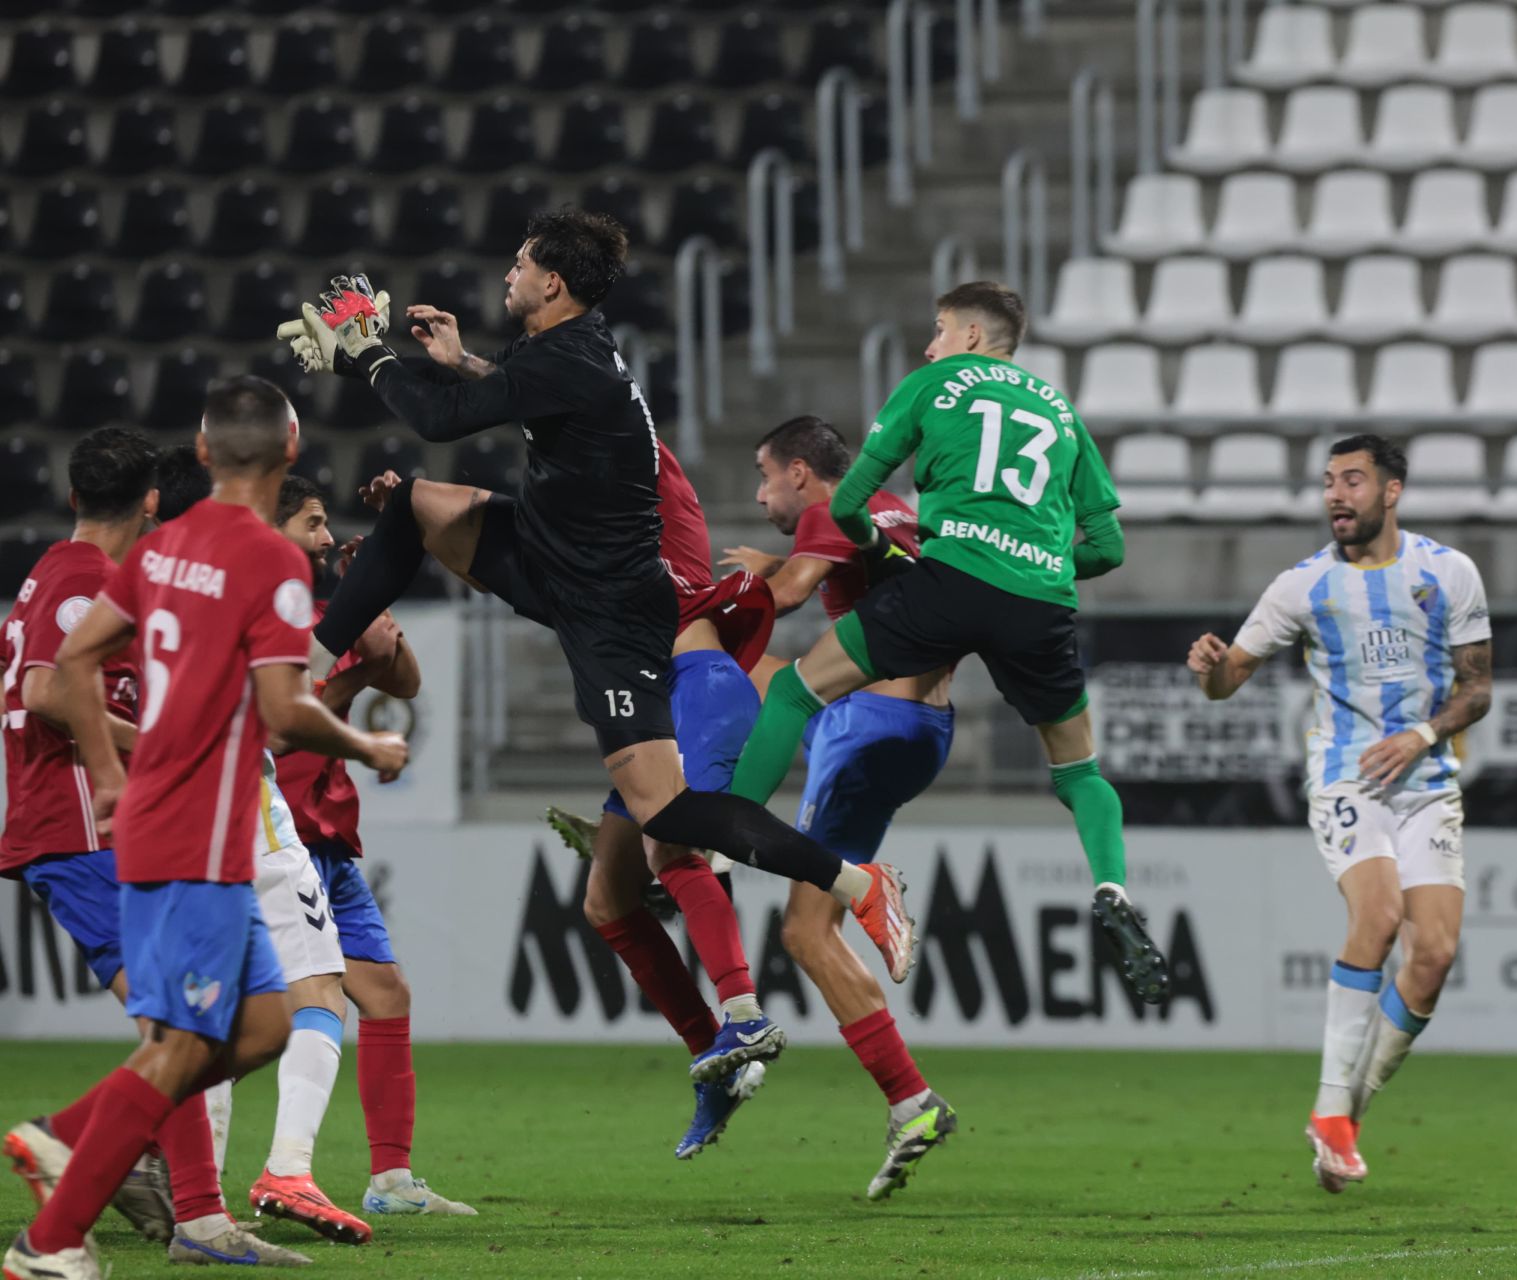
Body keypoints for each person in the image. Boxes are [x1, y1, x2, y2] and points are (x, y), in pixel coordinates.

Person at [276, 210, 910, 1082]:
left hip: (612, 606)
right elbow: (495, 394)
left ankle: (857, 886)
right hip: (553, 557)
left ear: (553, 285)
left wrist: (369, 353)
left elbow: (438, 417)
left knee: (670, 815)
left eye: (520, 263)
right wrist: (445, 358)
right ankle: (311, 667)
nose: (508, 273)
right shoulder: (574, 353)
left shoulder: (570, 358)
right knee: (414, 507)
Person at [3, 376, 407, 1280]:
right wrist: (365, 742)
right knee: (188, 1043)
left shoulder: (159, 552)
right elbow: (285, 710)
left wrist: (110, 775)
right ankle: (49, 1241)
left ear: (198, 455)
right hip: (193, 833)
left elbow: (72, 662)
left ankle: (65, 1140)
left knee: (263, 1027)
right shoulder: (274, 564)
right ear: (293, 453)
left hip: (172, 830)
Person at [725, 282, 1170, 1006]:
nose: (930, 345)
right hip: (1040, 603)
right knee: (1080, 774)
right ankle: (1113, 887)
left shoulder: (932, 382)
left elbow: (846, 503)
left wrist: (876, 545)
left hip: (949, 580)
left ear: (967, 335)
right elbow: (1111, 548)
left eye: (937, 329)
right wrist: (1044, 563)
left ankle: (720, 837)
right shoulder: (1062, 413)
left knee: (792, 691)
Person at [1186, 434, 1493, 1195]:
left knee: (1434, 957)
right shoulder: (1302, 587)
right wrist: (1211, 671)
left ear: (1391, 492)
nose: (1335, 495)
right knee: (1381, 916)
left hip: (1426, 781)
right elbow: (1229, 681)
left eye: (1352, 481)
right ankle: (1330, 1110)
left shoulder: (1447, 572)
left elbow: (1477, 689)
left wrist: (1422, 735)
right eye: (1328, 482)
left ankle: (1347, 1111)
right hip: (1346, 778)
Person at [717, 415, 958, 1198]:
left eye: (763, 475)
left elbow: (787, 597)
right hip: (923, 730)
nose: (759, 494)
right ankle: (912, 1102)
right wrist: (780, 560)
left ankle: (700, 827)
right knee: (806, 929)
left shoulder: (835, 506)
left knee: (716, 654)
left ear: (798, 471)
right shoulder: (893, 508)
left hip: (866, 725)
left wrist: (750, 580)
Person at [542, 437, 782, 1159]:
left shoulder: (646, 471)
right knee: (607, 901)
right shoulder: (588, 536)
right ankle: (713, 1058)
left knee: (670, 841)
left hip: (700, 684)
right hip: (653, 704)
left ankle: (744, 1014)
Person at [268, 476, 474, 1218]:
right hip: (276, 833)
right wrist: (356, 669)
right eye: (313, 523)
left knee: (385, 995)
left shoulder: (327, 613)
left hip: (327, 836)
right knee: (252, 1015)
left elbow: (408, 682)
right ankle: (187, 1157)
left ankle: (390, 1181)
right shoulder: (269, 620)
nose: (327, 538)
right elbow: (282, 723)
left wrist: (377, 616)